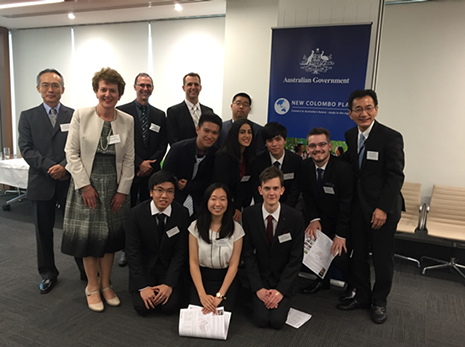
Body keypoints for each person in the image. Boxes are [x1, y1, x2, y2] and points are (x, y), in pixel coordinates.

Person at [61, 68, 135, 312]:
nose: (107, 94)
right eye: (103, 89)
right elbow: (71, 153)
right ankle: (92, 286)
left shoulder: (127, 120)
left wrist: (123, 191)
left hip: (115, 188)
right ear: (96, 91)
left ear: (119, 94)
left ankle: (106, 284)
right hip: (87, 187)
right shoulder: (82, 115)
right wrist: (85, 186)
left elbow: (129, 159)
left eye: (112, 90)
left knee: (111, 239)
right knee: (90, 238)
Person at [336, 89, 404, 325]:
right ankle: (362, 297)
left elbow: (395, 176)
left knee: (383, 258)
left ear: (376, 109)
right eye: (358, 109)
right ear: (350, 113)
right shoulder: (349, 135)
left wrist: (383, 208)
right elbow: (352, 166)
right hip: (358, 208)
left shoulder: (391, 137)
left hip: (383, 210)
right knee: (359, 256)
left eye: (368, 108)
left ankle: (379, 301)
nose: (363, 113)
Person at [18, 68, 85, 294]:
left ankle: (85, 270)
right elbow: (26, 149)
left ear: (62, 89)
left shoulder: (74, 115)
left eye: (55, 85)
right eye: (45, 85)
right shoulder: (28, 116)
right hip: (41, 181)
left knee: (75, 229)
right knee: (43, 231)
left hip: (69, 181)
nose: (50, 90)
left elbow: (79, 146)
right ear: (38, 89)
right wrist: (51, 167)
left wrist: (64, 166)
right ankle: (48, 273)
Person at [242, 166, 304, 329]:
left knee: (276, 322)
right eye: (267, 188)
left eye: (275, 188)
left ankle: (277, 298)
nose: (271, 193)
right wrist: (258, 288)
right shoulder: (249, 215)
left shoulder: (295, 218)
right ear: (260, 190)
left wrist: (280, 291)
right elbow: (248, 254)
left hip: (282, 280)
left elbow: (295, 259)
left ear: (282, 190)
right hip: (260, 279)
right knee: (261, 320)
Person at [116, 72, 168, 267]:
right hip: (129, 171)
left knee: (149, 211)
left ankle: (146, 247)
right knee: (128, 212)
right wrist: (139, 163)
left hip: (151, 174)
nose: (145, 88)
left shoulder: (159, 115)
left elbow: (164, 144)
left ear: (152, 89)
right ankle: (126, 249)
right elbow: (121, 142)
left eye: (148, 85)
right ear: (135, 87)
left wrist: (150, 165)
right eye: (141, 85)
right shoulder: (122, 112)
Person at [299, 128, 354, 300]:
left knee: (340, 256)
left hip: (343, 220)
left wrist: (341, 235)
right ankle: (322, 280)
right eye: (313, 145)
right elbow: (307, 195)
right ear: (308, 149)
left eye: (322, 144)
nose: (318, 149)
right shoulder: (305, 166)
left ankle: (353, 285)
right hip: (321, 218)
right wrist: (314, 219)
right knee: (316, 250)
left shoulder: (343, 169)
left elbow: (347, 204)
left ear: (329, 146)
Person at [125, 170, 189, 315]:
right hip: (145, 267)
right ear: (151, 192)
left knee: (169, 307)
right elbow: (132, 252)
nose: (164, 196)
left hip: (167, 268)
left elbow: (181, 252)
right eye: (159, 190)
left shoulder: (182, 213)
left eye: (169, 191)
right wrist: (143, 287)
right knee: (143, 307)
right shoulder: (136, 214)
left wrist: (169, 284)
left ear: (174, 194)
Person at [188, 183, 244, 313]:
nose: (218, 204)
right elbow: (193, 263)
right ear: (207, 201)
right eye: (213, 199)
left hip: (225, 279)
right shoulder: (195, 227)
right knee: (198, 313)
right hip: (201, 277)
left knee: (220, 313)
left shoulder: (236, 229)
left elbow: (233, 266)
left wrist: (220, 295)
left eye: (222, 199)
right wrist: (202, 295)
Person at [163, 113, 222, 219]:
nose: (210, 136)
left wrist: (189, 186)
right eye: (206, 131)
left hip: (201, 204)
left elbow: (212, 182)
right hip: (175, 199)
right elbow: (165, 174)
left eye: (214, 133)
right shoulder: (178, 149)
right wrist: (177, 183)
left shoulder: (217, 155)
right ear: (198, 129)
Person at [251, 122, 302, 207]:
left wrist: (283, 210)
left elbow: (295, 190)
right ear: (265, 143)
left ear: (284, 140)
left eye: (278, 139)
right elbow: (257, 190)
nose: (274, 144)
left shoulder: (296, 161)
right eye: (270, 141)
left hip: (289, 208)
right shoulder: (257, 162)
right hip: (264, 207)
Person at [213, 118, 255, 222]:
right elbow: (221, 186)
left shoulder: (249, 157)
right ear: (234, 134)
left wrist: (239, 206)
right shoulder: (223, 157)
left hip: (241, 206)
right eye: (242, 132)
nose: (247, 136)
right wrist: (233, 208)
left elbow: (247, 184)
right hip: (223, 205)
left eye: (249, 132)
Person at [166, 72, 214, 145]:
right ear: (183, 88)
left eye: (196, 84)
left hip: (205, 155)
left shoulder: (209, 111)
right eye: (189, 84)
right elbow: (173, 139)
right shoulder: (173, 112)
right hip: (182, 154)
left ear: (200, 88)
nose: (193, 87)